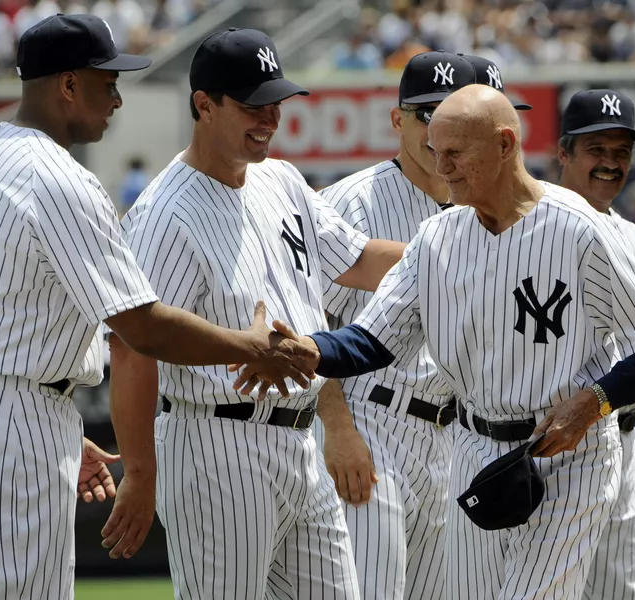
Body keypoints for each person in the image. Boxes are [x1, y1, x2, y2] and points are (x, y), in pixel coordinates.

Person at [235, 85, 635, 599]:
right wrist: (314, 352)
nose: (442, 166)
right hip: (473, 448)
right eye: (435, 150)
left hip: (568, 452)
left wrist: (596, 402)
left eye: (455, 152)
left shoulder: (578, 229)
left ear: (504, 145)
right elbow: (374, 340)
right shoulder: (438, 239)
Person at [0, 15, 315, 600]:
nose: (118, 98)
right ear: (69, 85)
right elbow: (141, 327)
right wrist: (252, 346)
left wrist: (42, 413)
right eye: (107, 84)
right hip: (5, 416)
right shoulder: (58, 180)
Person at [101, 28, 406, 599]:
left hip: (300, 440)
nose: (268, 119)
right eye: (251, 106)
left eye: (275, 105)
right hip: (217, 446)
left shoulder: (282, 180)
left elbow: (360, 260)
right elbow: (133, 345)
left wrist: (452, 254)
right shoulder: (165, 213)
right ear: (204, 104)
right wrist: (140, 473)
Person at [317, 50, 530, 600]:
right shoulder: (350, 203)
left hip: (454, 437)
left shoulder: (495, 209)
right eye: (429, 113)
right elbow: (307, 321)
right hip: (372, 422)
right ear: (398, 120)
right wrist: (338, 430)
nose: (445, 128)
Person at [556, 89, 635, 600]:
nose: (611, 164)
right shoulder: (534, 222)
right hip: (555, 443)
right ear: (564, 152)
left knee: (625, 592)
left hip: (621, 435)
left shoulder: (633, 236)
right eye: (597, 149)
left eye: (622, 152)